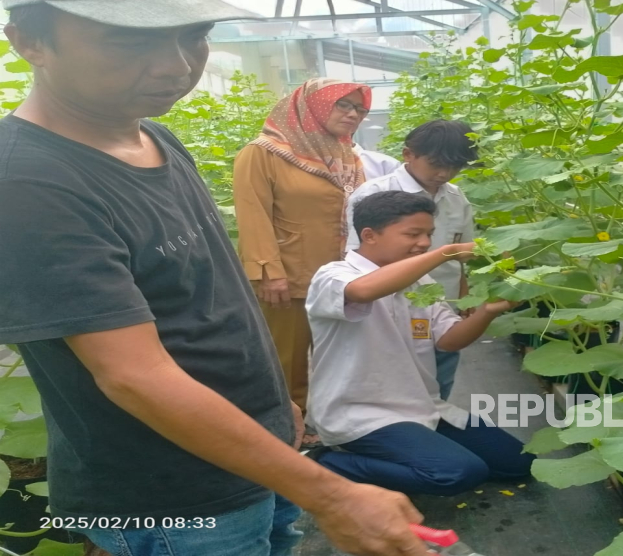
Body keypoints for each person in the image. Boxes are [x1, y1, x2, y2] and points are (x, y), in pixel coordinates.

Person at [0, 2, 431, 555]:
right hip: (172, 498)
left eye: (195, 36)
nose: (176, 66)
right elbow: (135, 376)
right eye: (129, 42)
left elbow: (211, 292)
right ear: (28, 42)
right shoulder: (29, 184)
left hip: (249, 454)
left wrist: (274, 401)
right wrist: (333, 494)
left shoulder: (155, 138)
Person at [305, 191, 535, 496]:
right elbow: (363, 292)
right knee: (458, 472)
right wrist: (448, 253)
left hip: (419, 406)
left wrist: (487, 311)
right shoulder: (334, 276)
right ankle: (326, 465)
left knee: (521, 464)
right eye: (413, 234)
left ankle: (414, 451)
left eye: (429, 234)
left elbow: (450, 341)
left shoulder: (422, 284)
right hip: (360, 413)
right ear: (369, 235)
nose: (425, 243)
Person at [233, 79, 371, 436]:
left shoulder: (346, 156)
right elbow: (253, 215)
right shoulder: (263, 153)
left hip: (341, 276)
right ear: (313, 106)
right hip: (288, 277)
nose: (353, 113)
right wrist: (268, 272)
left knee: (338, 355)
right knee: (286, 359)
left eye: (359, 108)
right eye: (343, 104)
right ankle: (284, 429)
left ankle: (330, 422)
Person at [346, 120, 478, 401]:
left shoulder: (456, 198)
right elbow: (357, 260)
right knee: (394, 388)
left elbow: (461, 255)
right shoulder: (374, 196)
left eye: (455, 167)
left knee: (440, 383)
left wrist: (465, 296)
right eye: (436, 164)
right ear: (408, 155)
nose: (444, 174)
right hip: (392, 310)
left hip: (444, 306)